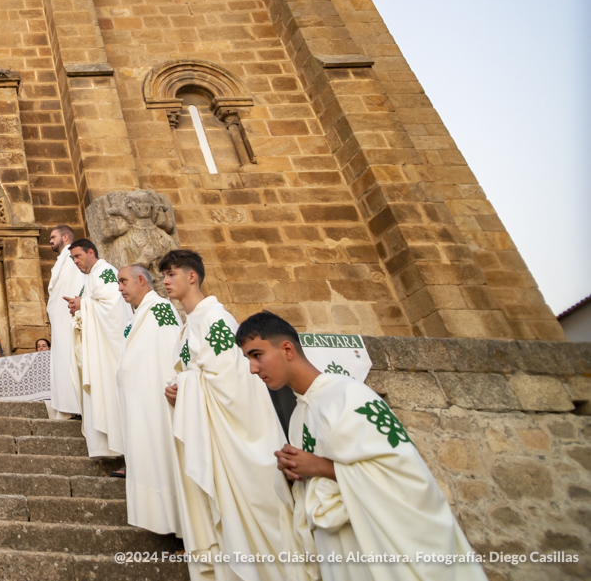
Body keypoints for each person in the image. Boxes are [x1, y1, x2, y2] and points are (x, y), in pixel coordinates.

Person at [238, 311, 487, 581]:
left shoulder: (350, 395)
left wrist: (319, 466)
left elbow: (403, 476)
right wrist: (292, 473)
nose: (252, 368)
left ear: (287, 349)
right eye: (248, 359)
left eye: (257, 355)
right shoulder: (299, 415)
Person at [159, 249, 299, 580]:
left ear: (191, 276)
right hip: (212, 431)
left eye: (171, 274)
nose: (164, 281)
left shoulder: (215, 318)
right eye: (164, 275)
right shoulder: (189, 324)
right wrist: (179, 389)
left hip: (238, 436)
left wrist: (186, 385)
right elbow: (199, 373)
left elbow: (233, 380)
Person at [116, 264, 183, 535]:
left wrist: (175, 385)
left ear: (141, 280)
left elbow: (170, 348)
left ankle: (177, 524)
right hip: (140, 400)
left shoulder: (160, 309)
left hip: (157, 400)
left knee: (163, 457)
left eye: (123, 282)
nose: (119, 288)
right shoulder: (139, 314)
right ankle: (161, 519)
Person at [67, 239, 131, 458]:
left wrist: (82, 305)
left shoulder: (105, 272)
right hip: (97, 349)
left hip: (108, 351)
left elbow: (113, 306)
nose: (75, 262)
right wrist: (80, 306)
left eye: (78, 256)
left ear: (91, 252)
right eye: (73, 258)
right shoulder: (91, 278)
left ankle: (121, 450)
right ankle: (108, 448)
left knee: (111, 395)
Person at [44, 224, 83, 419]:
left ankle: (75, 403)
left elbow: (76, 283)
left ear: (65, 237)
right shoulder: (62, 259)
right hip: (59, 317)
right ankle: (67, 404)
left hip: (69, 315)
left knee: (70, 356)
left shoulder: (73, 258)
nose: (50, 241)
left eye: (53, 237)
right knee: (62, 358)